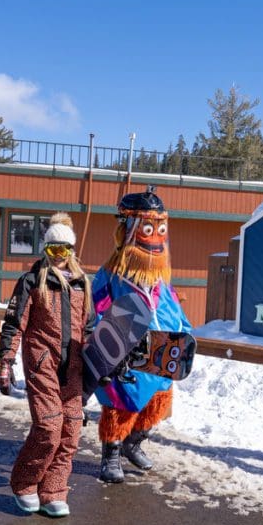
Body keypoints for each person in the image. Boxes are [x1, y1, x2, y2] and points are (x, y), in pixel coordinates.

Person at [91, 187, 192, 483]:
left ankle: (132, 443)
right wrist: (106, 338)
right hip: (127, 351)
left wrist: (184, 333)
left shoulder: (162, 281)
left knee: (158, 400)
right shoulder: (111, 276)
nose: (156, 238)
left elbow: (173, 311)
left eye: (160, 229)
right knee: (122, 403)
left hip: (161, 349)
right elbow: (97, 309)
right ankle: (110, 452)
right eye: (149, 228)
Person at [0, 213, 92, 517]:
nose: (59, 257)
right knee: (50, 426)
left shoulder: (81, 283)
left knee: (71, 430)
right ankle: (25, 482)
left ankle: (53, 490)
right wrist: (6, 362)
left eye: (64, 250)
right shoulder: (31, 281)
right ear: (46, 250)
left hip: (73, 366)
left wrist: (99, 357)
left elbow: (87, 327)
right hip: (41, 362)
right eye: (53, 250)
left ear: (71, 251)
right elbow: (14, 323)